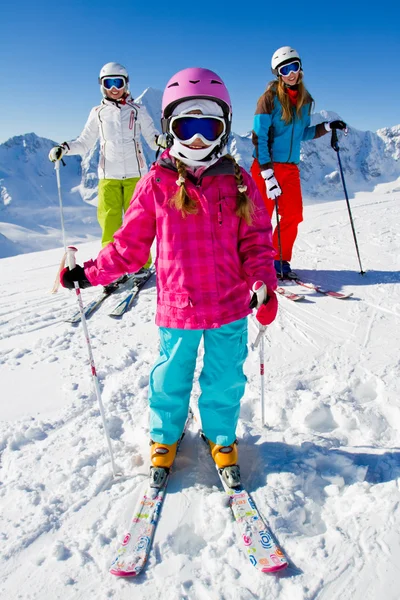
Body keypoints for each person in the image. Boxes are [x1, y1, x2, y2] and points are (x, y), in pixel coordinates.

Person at [59, 67, 278, 488]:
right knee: (169, 376)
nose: (197, 139)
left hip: (230, 307)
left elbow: (257, 242)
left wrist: (262, 283)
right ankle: (165, 436)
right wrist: (87, 274)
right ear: (169, 128)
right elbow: (129, 247)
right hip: (178, 307)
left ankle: (220, 436)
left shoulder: (237, 181)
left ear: (224, 128)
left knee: (226, 377)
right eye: (187, 126)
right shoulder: (157, 182)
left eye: (208, 126)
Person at [49, 62, 162, 271]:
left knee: (136, 224)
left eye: (117, 82)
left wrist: (163, 141)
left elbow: (153, 138)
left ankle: (142, 266)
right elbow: (84, 142)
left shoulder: (137, 110)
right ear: (102, 85)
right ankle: (110, 267)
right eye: (108, 83)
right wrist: (64, 148)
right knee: (109, 225)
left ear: (126, 84)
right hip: (108, 177)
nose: (114, 88)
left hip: (135, 177)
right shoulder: (98, 113)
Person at [251, 46, 347, 279]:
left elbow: (302, 133)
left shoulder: (305, 101)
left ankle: (279, 260)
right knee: (261, 219)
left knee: (293, 215)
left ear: (300, 68)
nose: (291, 73)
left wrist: (326, 127)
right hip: (266, 166)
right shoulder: (268, 100)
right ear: (278, 74)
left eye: (294, 67)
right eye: (285, 70)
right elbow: (259, 137)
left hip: (290, 168)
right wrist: (267, 173)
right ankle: (257, 263)